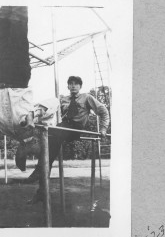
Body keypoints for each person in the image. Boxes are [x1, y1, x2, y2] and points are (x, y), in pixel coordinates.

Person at [26, 76, 110, 204]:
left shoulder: (87, 98)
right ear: (68, 86)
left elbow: (103, 111)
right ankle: (41, 190)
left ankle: (39, 170)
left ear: (80, 86)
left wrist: (103, 128)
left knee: (53, 135)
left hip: (76, 128)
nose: (73, 86)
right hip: (63, 128)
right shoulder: (64, 99)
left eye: (76, 84)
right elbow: (51, 111)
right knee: (48, 146)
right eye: (71, 84)